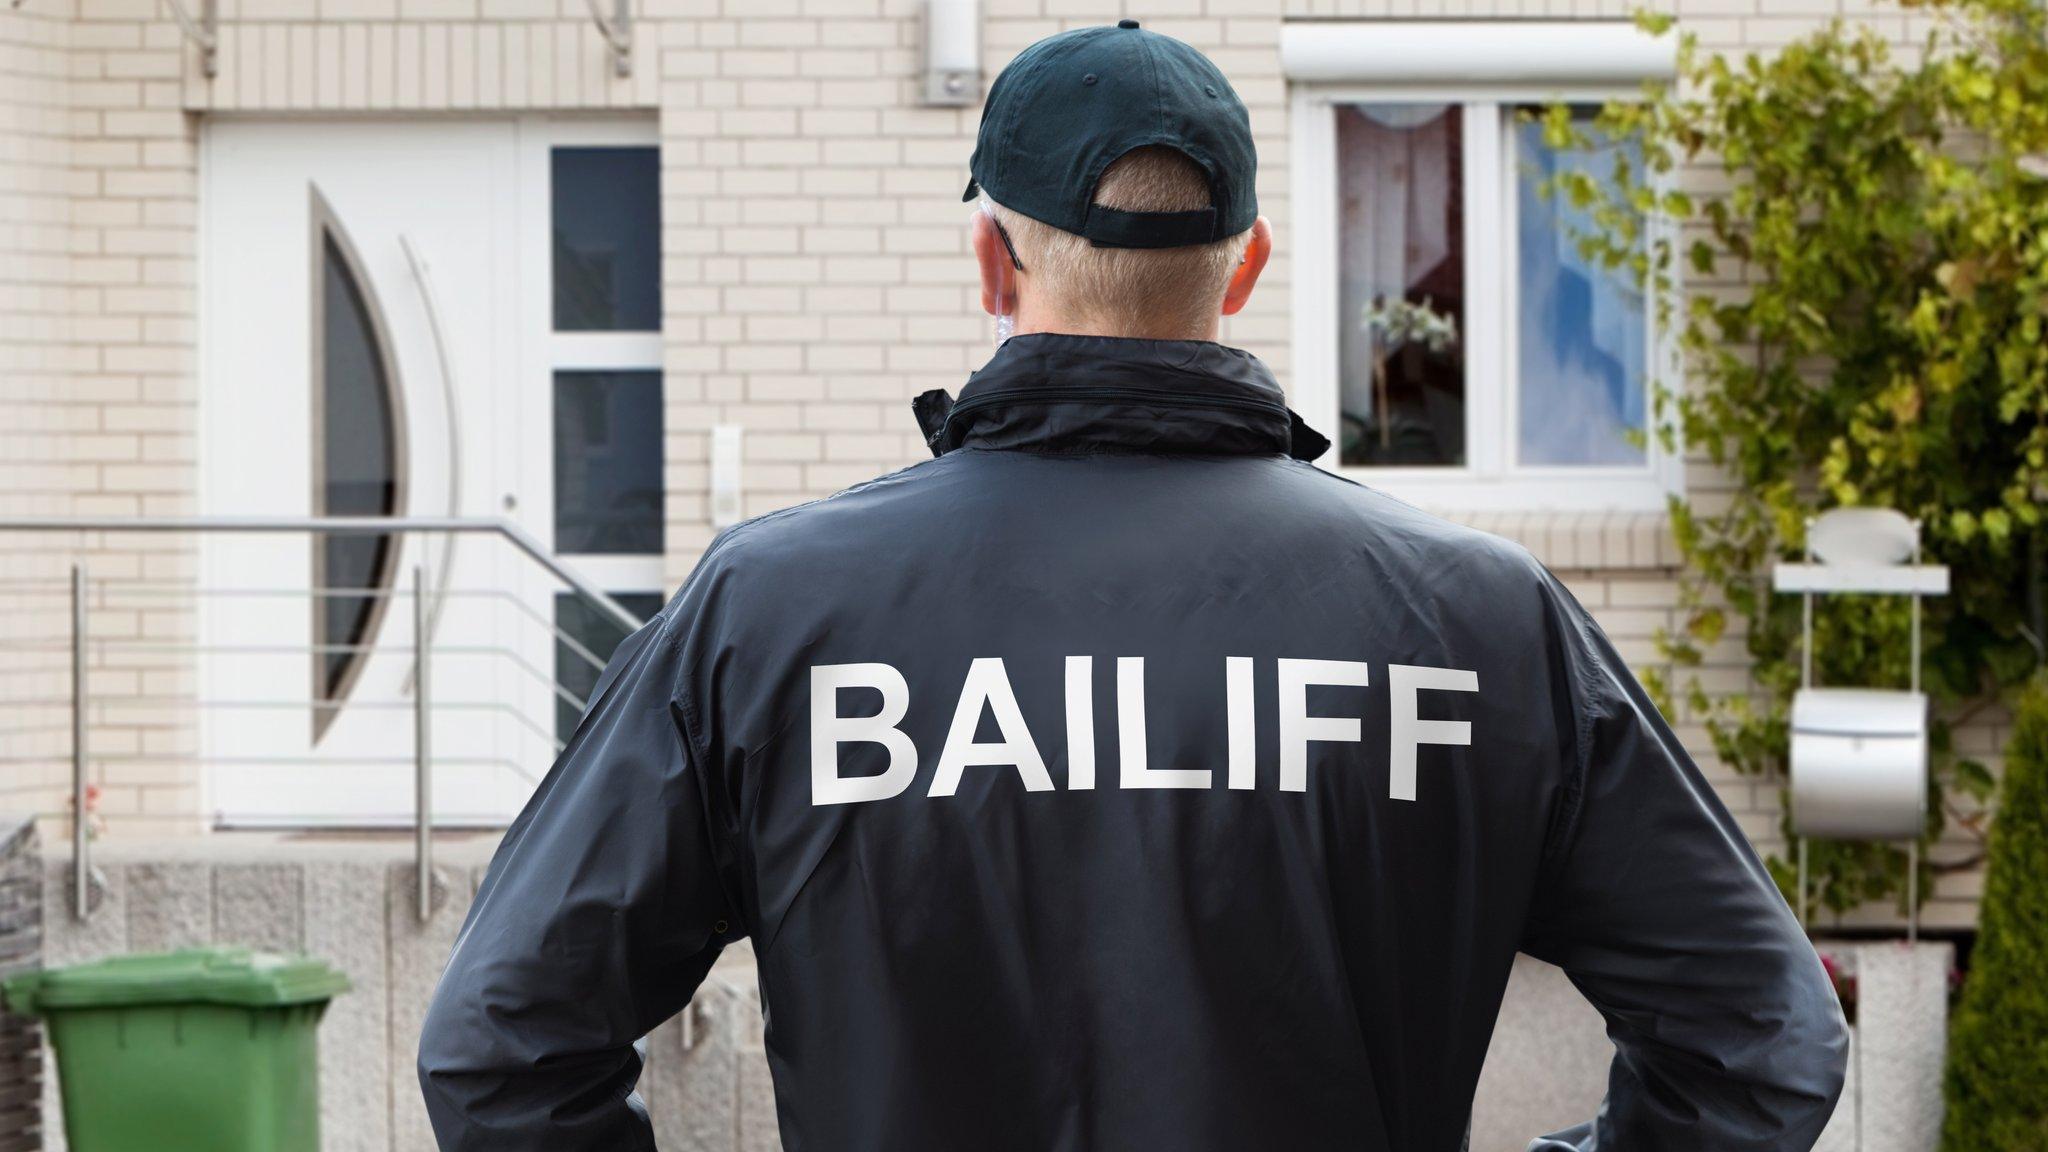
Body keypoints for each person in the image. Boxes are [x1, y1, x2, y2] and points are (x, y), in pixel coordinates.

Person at [417, 21, 1848, 1152]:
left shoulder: (771, 614)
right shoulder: (1478, 619)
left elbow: (503, 1042)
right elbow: (1761, 1035)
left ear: (991, 255)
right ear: (1246, 271)